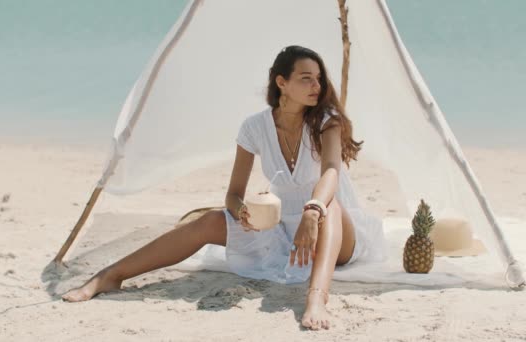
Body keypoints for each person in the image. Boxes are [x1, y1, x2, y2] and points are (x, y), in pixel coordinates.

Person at [62, 45, 387, 331]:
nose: (316, 86)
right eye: (306, 78)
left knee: (329, 207)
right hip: (281, 231)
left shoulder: (325, 120)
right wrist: (240, 212)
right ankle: (112, 274)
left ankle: (316, 299)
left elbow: (331, 170)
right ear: (282, 83)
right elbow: (233, 193)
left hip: (334, 232)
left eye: (318, 78)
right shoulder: (254, 127)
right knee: (210, 221)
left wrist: (312, 210)